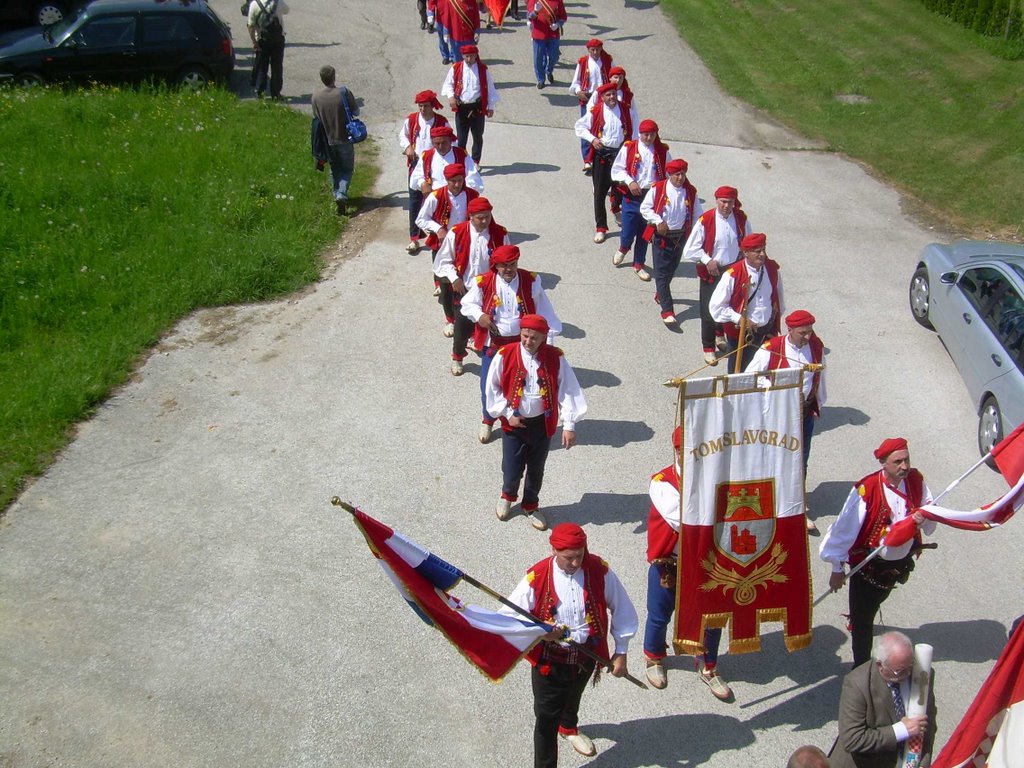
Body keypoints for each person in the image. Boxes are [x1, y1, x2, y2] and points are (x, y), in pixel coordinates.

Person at [503, 523, 638, 767]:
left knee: (574, 695)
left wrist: (621, 651)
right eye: (569, 558)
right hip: (550, 663)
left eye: (580, 555)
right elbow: (508, 616)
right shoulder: (537, 576)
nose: (576, 563)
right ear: (554, 550)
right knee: (545, 721)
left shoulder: (599, 569)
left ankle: (569, 727)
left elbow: (623, 608)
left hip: (587, 656)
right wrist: (540, 631)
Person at [820, 440, 936, 668]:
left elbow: (930, 505)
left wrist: (925, 517)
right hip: (868, 566)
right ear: (883, 463)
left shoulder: (915, 480)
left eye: (907, 459)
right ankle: (861, 668)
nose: (904, 466)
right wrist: (837, 568)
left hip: (898, 564)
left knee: (873, 605)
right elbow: (842, 531)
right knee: (862, 622)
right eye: (897, 461)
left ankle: (863, 617)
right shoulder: (866, 490)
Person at [643, 426, 733, 700]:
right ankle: (654, 657)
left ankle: (708, 665)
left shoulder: (715, 479)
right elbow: (682, 520)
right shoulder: (661, 482)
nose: (688, 456)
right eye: (683, 450)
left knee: (713, 618)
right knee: (660, 615)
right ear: (676, 450)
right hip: (670, 564)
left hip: (708, 564)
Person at [485, 315, 585, 531]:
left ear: (543, 338)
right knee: (512, 466)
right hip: (514, 423)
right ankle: (507, 495)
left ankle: (530, 504)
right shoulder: (505, 354)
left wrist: (569, 425)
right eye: (525, 336)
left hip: (542, 424)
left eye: (534, 338)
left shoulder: (555, 357)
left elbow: (569, 390)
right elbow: (492, 387)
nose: (528, 341)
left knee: (537, 468)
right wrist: (507, 413)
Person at [462, 246, 561, 443]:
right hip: (495, 345)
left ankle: (517, 421)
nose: (509, 269)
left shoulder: (531, 281)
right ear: (496, 266)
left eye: (513, 264)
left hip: (521, 346)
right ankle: (488, 419)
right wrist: (479, 315)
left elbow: (545, 313)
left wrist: (547, 343)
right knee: (488, 385)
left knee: (519, 385)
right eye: (504, 266)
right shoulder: (484, 282)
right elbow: (467, 303)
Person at [746, 309, 827, 530]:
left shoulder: (816, 346)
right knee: (772, 458)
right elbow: (750, 377)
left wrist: (819, 402)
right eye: (803, 333)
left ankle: (797, 506)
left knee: (800, 460)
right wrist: (776, 387)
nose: (808, 336)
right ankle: (768, 504)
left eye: (810, 331)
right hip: (777, 415)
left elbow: (821, 375)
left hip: (804, 413)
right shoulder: (770, 349)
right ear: (789, 330)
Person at [831, 631, 936, 768]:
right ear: (880, 664)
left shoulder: (922, 674)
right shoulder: (857, 683)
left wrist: (923, 762)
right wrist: (901, 730)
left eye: (910, 667)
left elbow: (928, 725)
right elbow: (852, 739)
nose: (908, 674)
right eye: (900, 671)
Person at [433, 197, 509, 375]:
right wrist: (454, 278)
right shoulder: (456, 232)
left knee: (492, 323)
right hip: (464, 288)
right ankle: (457, 357)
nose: (485, 221)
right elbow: (442, 261)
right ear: (470, 216)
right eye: (480, 218)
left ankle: (488, 352)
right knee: (462, 326)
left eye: (487, 217)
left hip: (489, 289)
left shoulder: (500, 234)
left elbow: (506, 260)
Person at [683, 186, 752, 364]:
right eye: (723, 202)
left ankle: (720, 336)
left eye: (730, 202)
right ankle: (708, 347)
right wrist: (707, 260)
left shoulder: (741, 218)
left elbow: (748, 242)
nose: (726, 206)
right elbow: (690, 250)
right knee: (707, 310)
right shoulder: (706, 220)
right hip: (712, 272)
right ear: (717, 201)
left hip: (732, 272)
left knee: (728, 306)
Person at [709, 232, 783, 370]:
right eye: (757, 251)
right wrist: (740, 319)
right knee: (738, 372)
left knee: (761, 372)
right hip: (741, 334)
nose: (762, 254)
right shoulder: (732, 274)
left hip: (765, 331)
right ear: (745, 253)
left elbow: (778, 299)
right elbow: (716, 307)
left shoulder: (772, 269)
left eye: (763, 250)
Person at [574, 83, 637, 243]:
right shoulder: (595, 111)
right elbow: (579, 127)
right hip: (602, 155)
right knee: (600, 193)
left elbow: (635, 129)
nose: (612, 98)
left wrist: (632, 149)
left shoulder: (626, 109)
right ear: (602, 97)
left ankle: (617, 211)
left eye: (613, 94)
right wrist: (593, 139)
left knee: (620, 189)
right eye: (608, 95)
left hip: (621, 154)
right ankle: (601, 227)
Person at [639, 159, 701, 324]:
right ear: (669, 174)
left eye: (683, 174)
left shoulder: (691, 192)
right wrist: (658, 221)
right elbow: (645, 208)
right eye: (677, 174)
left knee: (672, 268)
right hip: (662, 237)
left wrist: (695, 235)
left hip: (680, 237)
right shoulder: (658, 188)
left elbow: (697, 216)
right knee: (661, 273)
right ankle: (667, 310)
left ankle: (660, 293)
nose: (680, 178)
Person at [610, 119, 670, 280]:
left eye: (652, 134)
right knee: (628, 230)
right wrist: (630, 182)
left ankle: (638, 264)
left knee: (645, 234)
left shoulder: (662, 151)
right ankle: (623, 248)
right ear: (640, 134)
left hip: (650, 197)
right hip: (632, 196)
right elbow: (617, 169)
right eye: (645, 135)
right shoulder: (629, 147)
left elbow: (670, 173)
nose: (649, 138)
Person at [416, 163, 479, 306]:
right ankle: (447, 309)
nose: (457, 185)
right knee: (444, 277)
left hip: (464, 242)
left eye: (460, 180)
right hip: (442, 242)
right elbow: (421, 219)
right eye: (453, 181)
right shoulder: (436, 196)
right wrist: (438, 229)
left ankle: (464, 303)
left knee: (463, 273)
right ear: (446, 180)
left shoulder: (473, 195)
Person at [399, 91, 451, 253]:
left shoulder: (442, 122)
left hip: (436, 166)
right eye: (420, 106)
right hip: (417, 165)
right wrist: (407, 147)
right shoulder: (412, 120)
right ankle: (414, 238)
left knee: (437, 201)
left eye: (425, 106)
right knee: (414, 201)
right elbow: (403, 135)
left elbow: (450, 141)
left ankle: (438, 233)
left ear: (432, 105)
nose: (422, 109)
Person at [310, 66, 360, 217]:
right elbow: (356, 111)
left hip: (327, 139)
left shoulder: (315, 97)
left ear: (321, 78)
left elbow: (316, 117)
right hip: (344, 137)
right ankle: (341, 194)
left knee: (334, 168)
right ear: (334, 76)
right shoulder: (343, 92)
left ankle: (336, 194)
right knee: (347, 168)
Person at [441, 45, 499, 165]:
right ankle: (461, 161)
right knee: (461, 138)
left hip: (477, 108)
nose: (469, 59)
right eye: (466, 56)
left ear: (476, 56)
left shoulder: (483, 69)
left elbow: (490, 88)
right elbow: (448, 84)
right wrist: (451, 97)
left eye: (471, 56)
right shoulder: (456, 68)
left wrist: (491, 106)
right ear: (462, 56)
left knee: (477, 136)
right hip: (462, 107)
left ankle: (475, 161)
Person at [569, 39, 613, 171]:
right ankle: (587, 159)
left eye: (597, 50)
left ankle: (600, 157)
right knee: (586, 128)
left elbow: (614, 77)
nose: (595, 53)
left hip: (602, 99)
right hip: (587, 98)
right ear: (588, 50)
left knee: (602, 128)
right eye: (592, 50)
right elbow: (575, 82)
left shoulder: (607, 61)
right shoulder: (583, 62)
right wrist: (578, 91)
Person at [409, 125, 484, 195]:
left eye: (444, 143)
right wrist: (422, 183)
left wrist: (463, 192)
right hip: (434, 197)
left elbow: (473, 177)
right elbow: (416, 176)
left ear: (450, 141)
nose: (441, 146)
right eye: (437, 143)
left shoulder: (462, 155)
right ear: (432, 143)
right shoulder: (427, 156)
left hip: (458, 197)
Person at [247, 0, 288, 100]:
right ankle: (276, 93)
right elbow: (287, 10)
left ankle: (260, 92)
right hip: (278, 40)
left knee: (262, 67)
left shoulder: (254, 4)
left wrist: (254, 42)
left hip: (262, 40)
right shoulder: (278, 2)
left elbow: (251, 26)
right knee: (277, 67)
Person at [526, 0, 566, 89]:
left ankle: (549, 70)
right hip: (539, 33)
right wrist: (535, 11)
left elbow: (563, 16)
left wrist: (558, 24)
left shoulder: (557, 1)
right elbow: (529, 17)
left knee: (554, 56)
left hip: (553, 33)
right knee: (538, 58)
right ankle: (541, 79)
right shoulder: (534, 1)